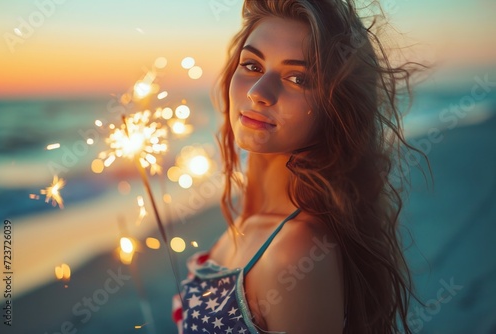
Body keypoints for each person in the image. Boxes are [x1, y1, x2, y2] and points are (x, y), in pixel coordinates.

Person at [173, 0, 423, 333]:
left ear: (337, 106)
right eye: (252, 65)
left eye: (297, 78)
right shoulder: (253, 222)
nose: (260, 93)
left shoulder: (297, 250)